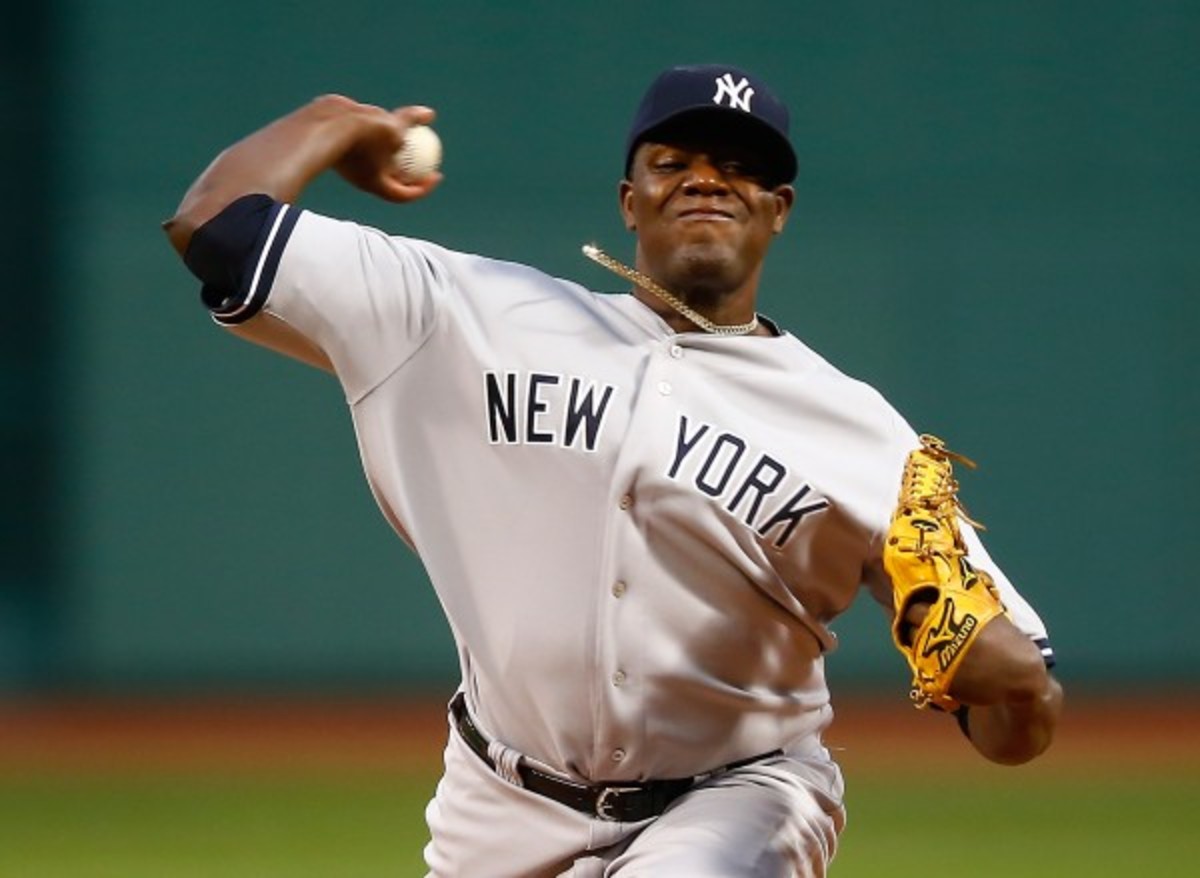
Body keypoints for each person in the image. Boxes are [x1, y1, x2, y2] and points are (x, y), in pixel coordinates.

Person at [163, 64, 1062, 877]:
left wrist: (1012, 696)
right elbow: (214, 224)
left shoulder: (864, 432)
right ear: (629, 201)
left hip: (739, 798)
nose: (706, 178)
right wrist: (331, 121)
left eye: (739, 167)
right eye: (674, 161)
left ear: (777, 208)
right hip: (497, 802)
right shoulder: (462, 316)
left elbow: (1016, 714)